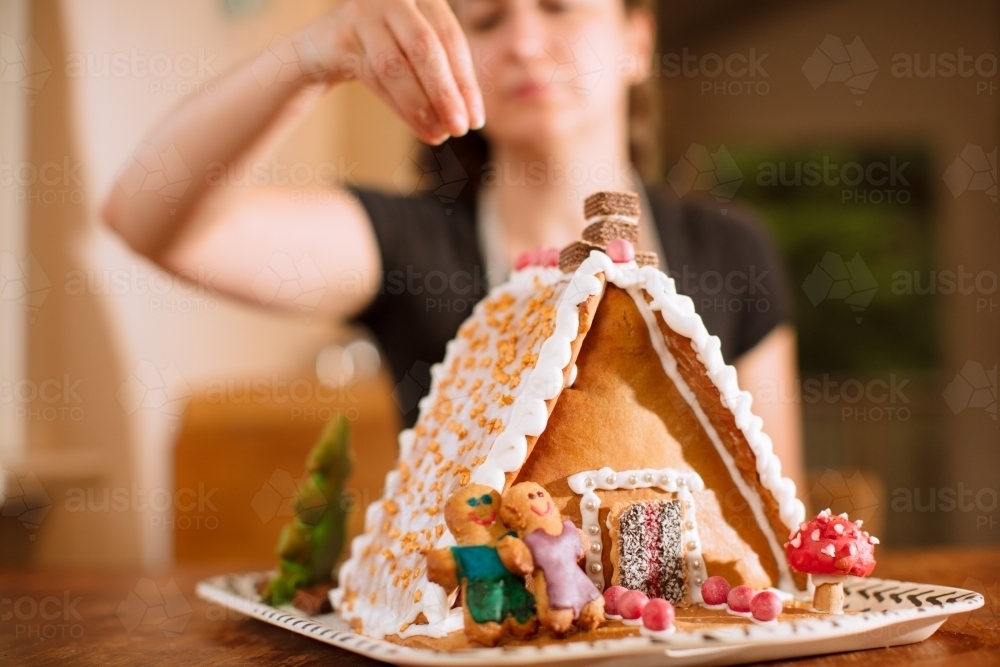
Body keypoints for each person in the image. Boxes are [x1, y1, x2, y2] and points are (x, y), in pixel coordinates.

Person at [102, 0, 804, 491]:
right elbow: (146, 217)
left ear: (636, 41)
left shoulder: (733, 251)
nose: (525, 42)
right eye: (489, 19)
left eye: (559, 6)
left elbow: (773, 500)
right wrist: (313, 55)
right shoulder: (408, 242)